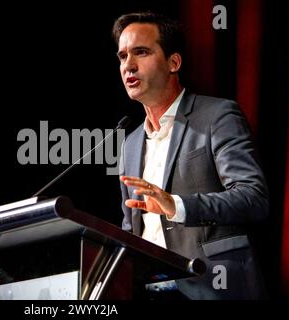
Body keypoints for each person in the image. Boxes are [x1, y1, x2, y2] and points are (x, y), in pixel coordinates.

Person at [113, 11, 269, 299]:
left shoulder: (216, 116)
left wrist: (177, 206)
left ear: (174, 62)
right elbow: (130, 230)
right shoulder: (130, 143)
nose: (128, 66)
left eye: (141, 52)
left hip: (210, 287)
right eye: (122, 56)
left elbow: (253, 198)